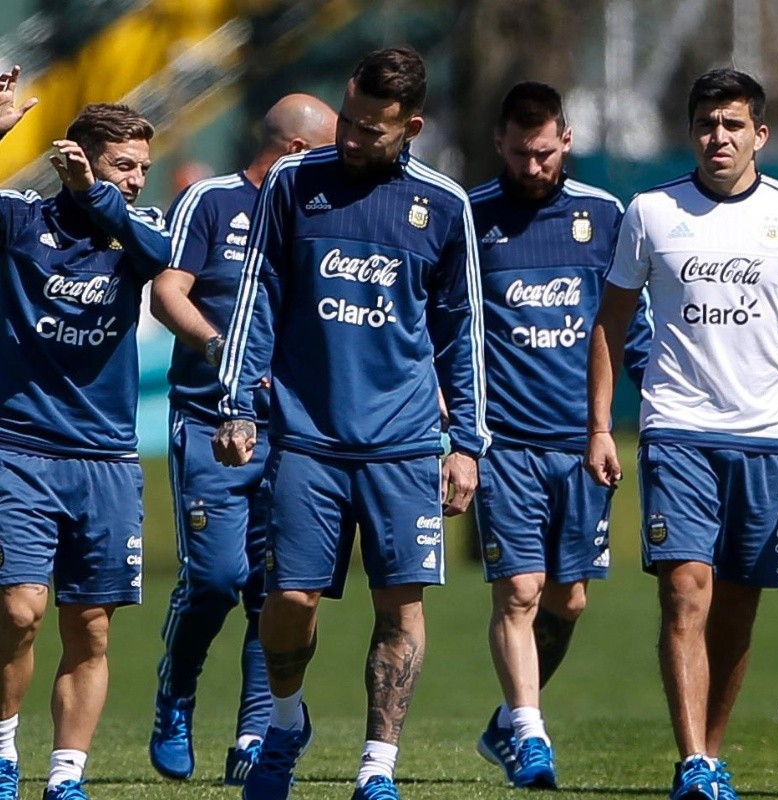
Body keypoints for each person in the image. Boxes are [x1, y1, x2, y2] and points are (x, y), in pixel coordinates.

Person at [213, 45, 490, 800]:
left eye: (376, 129)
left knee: (400, 606)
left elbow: (463, 334)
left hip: (402, 444)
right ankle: (286, 719)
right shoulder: (294, 186)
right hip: (304, 435)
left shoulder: (445, 206)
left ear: (413, 126)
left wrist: (465, 444)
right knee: (290, 601)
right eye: (351, 119)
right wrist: (239, 403)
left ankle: (377, 766)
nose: (356, 137)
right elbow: (256, 299)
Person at [585, 68, 778, 800]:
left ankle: (713, 750)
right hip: (676, 431)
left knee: (738, 607)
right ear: (691, 132)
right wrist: (602, 427)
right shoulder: (650, 211)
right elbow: (610, 323)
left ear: (759, 135)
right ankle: (693, 764)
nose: (719, 137)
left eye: (734, 125)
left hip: (766, 438)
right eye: (708, 124)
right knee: (685, 593)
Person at [148, 93, 337, 786]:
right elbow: (168, 292)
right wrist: (219, 347)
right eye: (324, 155)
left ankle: (254, 735)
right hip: (206, 418)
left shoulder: (317, 214)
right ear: (292, 152)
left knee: (276, 589)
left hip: (290, 432)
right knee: (219, 579)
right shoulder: (211, 200)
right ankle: (176, 692)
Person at [468, 81, 651, 789]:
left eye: (545, 153)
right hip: (504, 441)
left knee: (567, 600)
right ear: (499, 145)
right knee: (518, 589)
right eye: (520, 154)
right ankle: (531, 732)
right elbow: (450, 324)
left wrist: (640, 404)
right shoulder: (471, 217)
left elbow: (625, 325)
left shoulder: (605, 216)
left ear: (566, 141)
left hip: (579, 441)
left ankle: (505, 722)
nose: (534, 167)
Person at [0, 67, 170, 800]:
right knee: (18, 609)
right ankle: (4, 750)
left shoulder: (141, 231)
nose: (135, 180)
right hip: (20, 449)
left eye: (141, 169)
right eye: (122, 167)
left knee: (90, 628)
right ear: (80, 154)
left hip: (105, 460)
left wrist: (93, 197)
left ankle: (66, 774)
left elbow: (161, 262)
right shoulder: (19, 222)